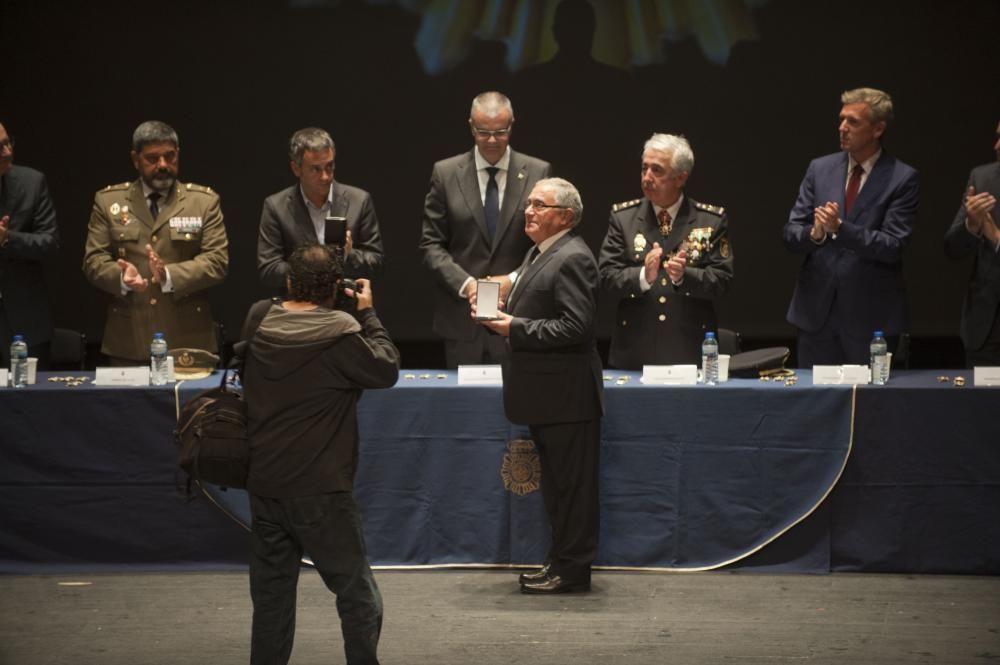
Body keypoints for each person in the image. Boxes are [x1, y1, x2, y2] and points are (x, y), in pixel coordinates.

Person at [241, 243, 399, 665]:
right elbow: (385, 368)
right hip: (321, 489)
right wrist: (367, 313)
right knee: (357, 594)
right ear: (336, 287)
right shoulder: (341, 332)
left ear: (289, 281)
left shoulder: (259, 318)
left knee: (272, 602)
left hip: (266, 483)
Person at [477, 177, 603, 594]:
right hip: (549, 397)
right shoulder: (541, 252)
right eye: (529, 202)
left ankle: (572, 571)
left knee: (572, 490)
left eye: (539, 205)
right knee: (559, 490)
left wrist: (515, 327)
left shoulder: (573, 258)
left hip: (567, 397)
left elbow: (576, 327)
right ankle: (560, 562)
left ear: (564, 216)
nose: (528, 210)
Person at [783, 87, 919, 367]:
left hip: (871, 319)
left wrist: (840, 228)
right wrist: (815, 233)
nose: (842, 128)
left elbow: (893, 246)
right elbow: (790, 233)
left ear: (878, 128)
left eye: (853, 122)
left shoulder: (901, 178)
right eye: (842, 119)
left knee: (871, 408)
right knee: (814, 404)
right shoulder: (819, 169)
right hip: (816, 316)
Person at [420, 91, 551, 368]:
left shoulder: (538, 172)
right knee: (462, 409)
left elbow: (549, 247)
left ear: (512, 125)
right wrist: (468, 286)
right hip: (461, 324)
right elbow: (431, 245)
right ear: (471, 126)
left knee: (520, 408)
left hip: (517, 317)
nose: (492, 141)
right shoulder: (445, 173)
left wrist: (513, 279)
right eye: (483, 132)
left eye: (500, 132)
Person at [82, 121, 228, 364]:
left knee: (190, 404)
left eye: (169, 157)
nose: (163, 165)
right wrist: (122, 278)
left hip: (188, 339)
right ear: (135, 159)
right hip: (129, 339)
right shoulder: (109, 201)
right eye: (152, 158)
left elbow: (217, 261)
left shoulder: (203, 202)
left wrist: (168, 274)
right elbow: (93, 260)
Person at [598, 133, 733, 368]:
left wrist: (684, 277)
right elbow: (605, 276)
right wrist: (642, 276)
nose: (647, 177)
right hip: (635, 349)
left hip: (688, 349)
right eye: (644, 168)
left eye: (657, 170)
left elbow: (722, 281)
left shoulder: (710, 220)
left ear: (681, 178)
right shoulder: (623, 218)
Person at [258, 128, 384, 294]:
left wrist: (347, 255)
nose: (325, 176)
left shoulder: (359, 201)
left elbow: (376, 262)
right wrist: (317, 268)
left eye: (329, 166)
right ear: (296, 168)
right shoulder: (276, 206)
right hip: (299, 308)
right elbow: (269, 269)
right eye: (315, 169)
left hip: (346, 308)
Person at [0, 121, 59, 367]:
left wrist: (7, 238)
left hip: (24, 319)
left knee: (30, 402)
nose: (7, 152)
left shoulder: (32, 182)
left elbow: (49, 242)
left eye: (7, 143)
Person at [944, 120, 1000, 367]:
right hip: (986, 326)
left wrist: (995, 236)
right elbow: (952, 248)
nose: (996, 146)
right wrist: (973, 226)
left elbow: (994, 236)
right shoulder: (982, 177)